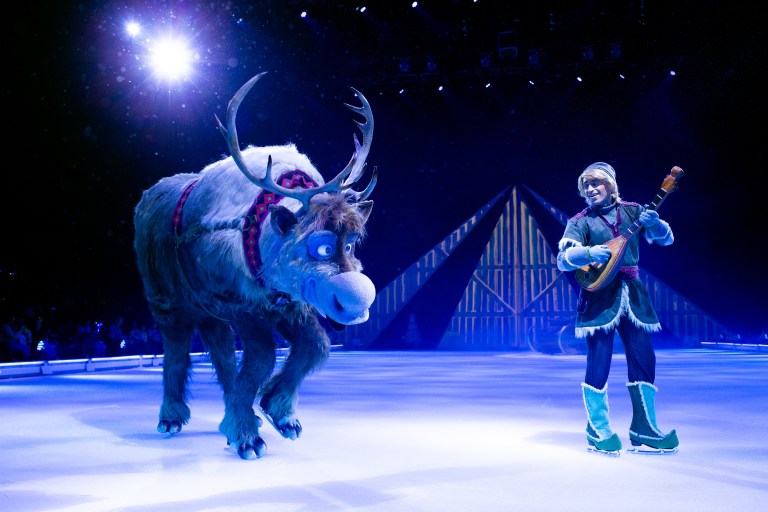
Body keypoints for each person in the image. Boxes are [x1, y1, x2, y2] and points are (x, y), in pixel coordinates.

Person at [556, 162, 679, 456]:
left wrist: (657, 224)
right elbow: (563, 259)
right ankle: (597, 429)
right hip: (600, 298)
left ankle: (644, 427)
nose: (590, 189)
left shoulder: (633, 211)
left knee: (643, 358)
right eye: (586, 185)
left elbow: (667, 239)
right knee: (599, 361)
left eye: (596, 183)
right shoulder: (581, 221)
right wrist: (587, 253)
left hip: (633, 297)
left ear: (610, 185)